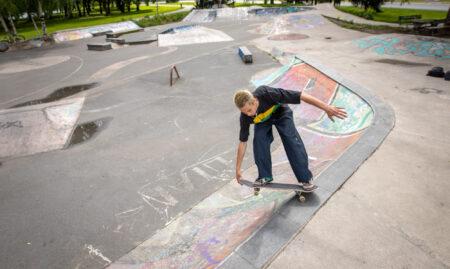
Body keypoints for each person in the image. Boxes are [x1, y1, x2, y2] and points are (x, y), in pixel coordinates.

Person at [233, 86, 347, 190]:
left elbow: (301, 95)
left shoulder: (269, 94)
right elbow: (242, 142)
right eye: (244, 112)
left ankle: (305, 178)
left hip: (281, 114)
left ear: (254, 101)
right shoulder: (245, 117)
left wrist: (326, 107)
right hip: (263, 120)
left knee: (291, 140)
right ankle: (264, 176)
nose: (248, 115)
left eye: (249, 110)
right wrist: (238, 169)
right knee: (259, 141)